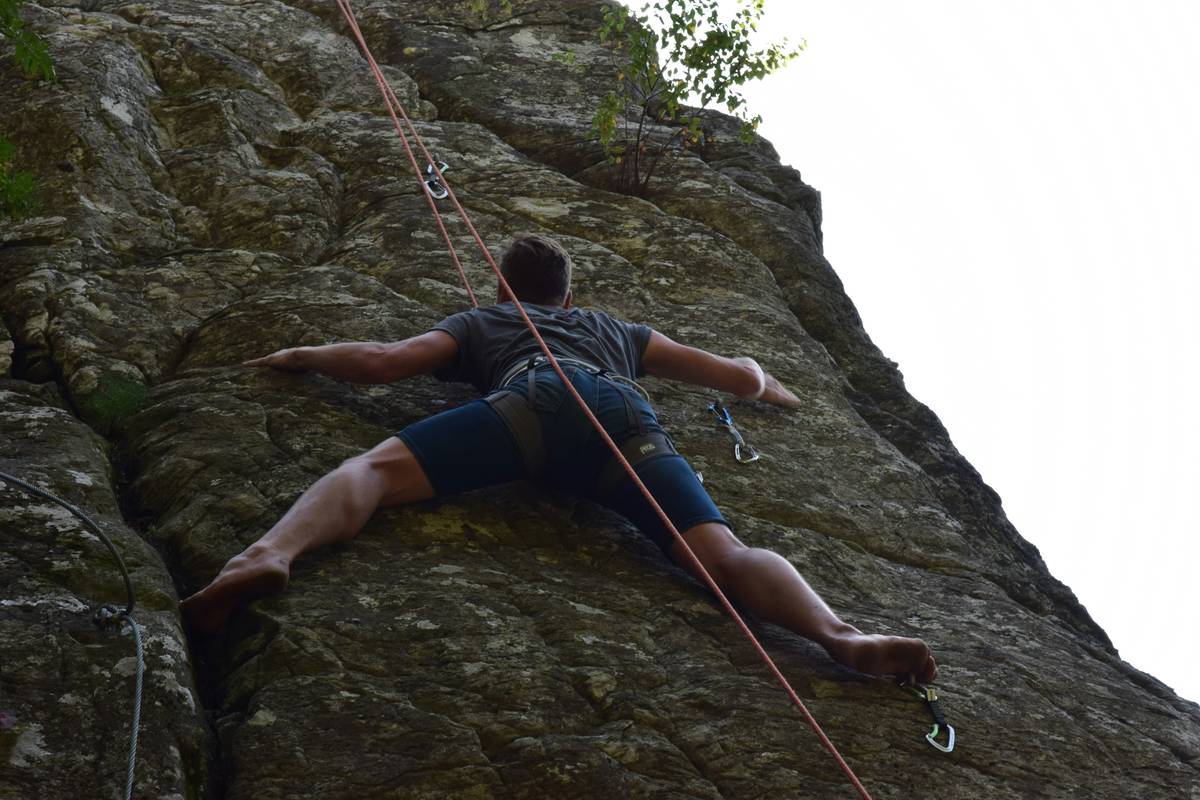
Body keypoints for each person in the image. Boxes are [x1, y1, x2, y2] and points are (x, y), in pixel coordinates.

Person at [182, 233, 937, 684]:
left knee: (373, 473)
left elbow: (386, 361)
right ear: (567, 300)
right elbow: (737, 375)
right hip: (625, 421)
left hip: (534, 406)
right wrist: (772, 387)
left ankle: (267, 553)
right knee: (724, 553)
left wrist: (296, 353)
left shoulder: (484, 319)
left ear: (504, 287)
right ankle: (843, 637)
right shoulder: (614, 329)